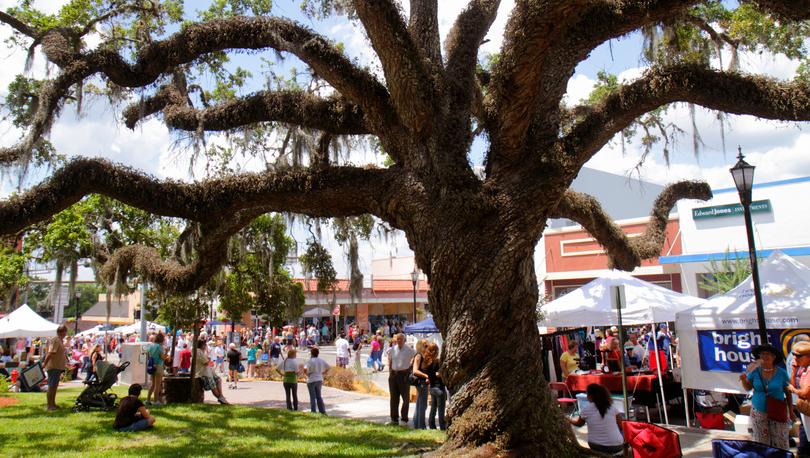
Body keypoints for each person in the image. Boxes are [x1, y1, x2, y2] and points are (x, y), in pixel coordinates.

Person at [739, 344, 793, 450]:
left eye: (768, 354)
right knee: (761, 442)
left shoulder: (782, 373)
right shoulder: (754, 371)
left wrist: (791, 411)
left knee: (780, 441)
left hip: (777, 411)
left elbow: (788, 392)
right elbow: (748, 388)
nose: (765, 356)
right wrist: (744, 380)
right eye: (762, 354)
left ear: (774, 357)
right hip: (759, 411)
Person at [568, 383, 624, 453]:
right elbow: (622, 426)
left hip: (595, 446)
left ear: (590, 396)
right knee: (621, 431)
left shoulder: (586, 409)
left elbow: (579, 424)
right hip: (616, 446)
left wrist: (569, 420)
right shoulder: (612, 408)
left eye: (587, 394)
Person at [387, 333, 415, 425]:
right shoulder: (393, 349)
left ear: (404, 340)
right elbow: (390, 360)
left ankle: (404, 419)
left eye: (401, 339)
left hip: (404, 375)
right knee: (394, 398)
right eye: (397, 339)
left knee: (405, 399)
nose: (399, 341)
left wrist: (410, 369)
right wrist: (390, 371)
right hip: (394, 375)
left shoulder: (409, 350)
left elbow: (416, 358)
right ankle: (394, 419)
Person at [788, 340, 810, 457]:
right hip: (805, 413)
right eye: (794, 355)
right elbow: (794, 384)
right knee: (804, 443)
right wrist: (794, 371)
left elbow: (805, 393)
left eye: (798, 356)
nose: (795, 358)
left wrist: (793, 390)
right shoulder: (802, 369)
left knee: (805, 445)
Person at [41, 324, 68, 411]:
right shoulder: (55, 340)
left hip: (58, 366)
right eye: (65, 331)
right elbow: (51, 352)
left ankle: (53, 404)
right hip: (53, 366)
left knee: (54, 386)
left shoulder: (60, 340)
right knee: (51, 386)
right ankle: (50, 405)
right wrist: (45, 364)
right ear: (62, 332)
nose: (65, 333)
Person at [194, 339, 229, 404]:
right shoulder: (198, 351)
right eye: (205, 344)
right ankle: (222, 399)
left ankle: (221, 396)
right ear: (202, 345)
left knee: (218, 380)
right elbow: (206, 362)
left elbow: (207, 361)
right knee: (213, 386)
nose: (205, 346)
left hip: (208, 371)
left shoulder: (202, 351)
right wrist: (208, 359)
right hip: (203, 373)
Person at [422, 342, 446, 430]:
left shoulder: (426, 362)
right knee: (441, 409)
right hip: (439, 387)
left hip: (432, 387)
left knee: (433, 408)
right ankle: (442, 426)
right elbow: (439, 374)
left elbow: (430, 375)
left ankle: (432, 425)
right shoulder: (437, 362)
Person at [411, 338, 431, 429]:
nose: (427, 347)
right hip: (421, 382)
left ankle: (417, 424)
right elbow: (415, 371)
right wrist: (426, 376)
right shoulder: (419, 356)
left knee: (420, 403)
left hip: (422, 383)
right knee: (423, 405)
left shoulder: (422, 355)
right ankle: (421, 426)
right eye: (425, 346)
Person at [304, 347, 330, 414]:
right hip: (319, 378)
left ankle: (313, 411)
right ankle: (322, 411)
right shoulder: (321, 360)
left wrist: (307, 374)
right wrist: (323, 373)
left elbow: (305, 369)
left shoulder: (310, 361)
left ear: (311, 354)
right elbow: (328, 367)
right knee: (319, 396)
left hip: (312, 379)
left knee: (312, 397)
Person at [145, 333, 167, 406]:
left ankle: (148, 400)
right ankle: (155, 401)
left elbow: (147, 354)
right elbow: (162, 357)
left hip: (152, 366)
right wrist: (166, 352)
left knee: (153, 384)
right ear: (162, 340)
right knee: (157, 385)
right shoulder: (159, 347)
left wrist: (151, 361)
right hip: (159, 366)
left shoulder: (151, 345)